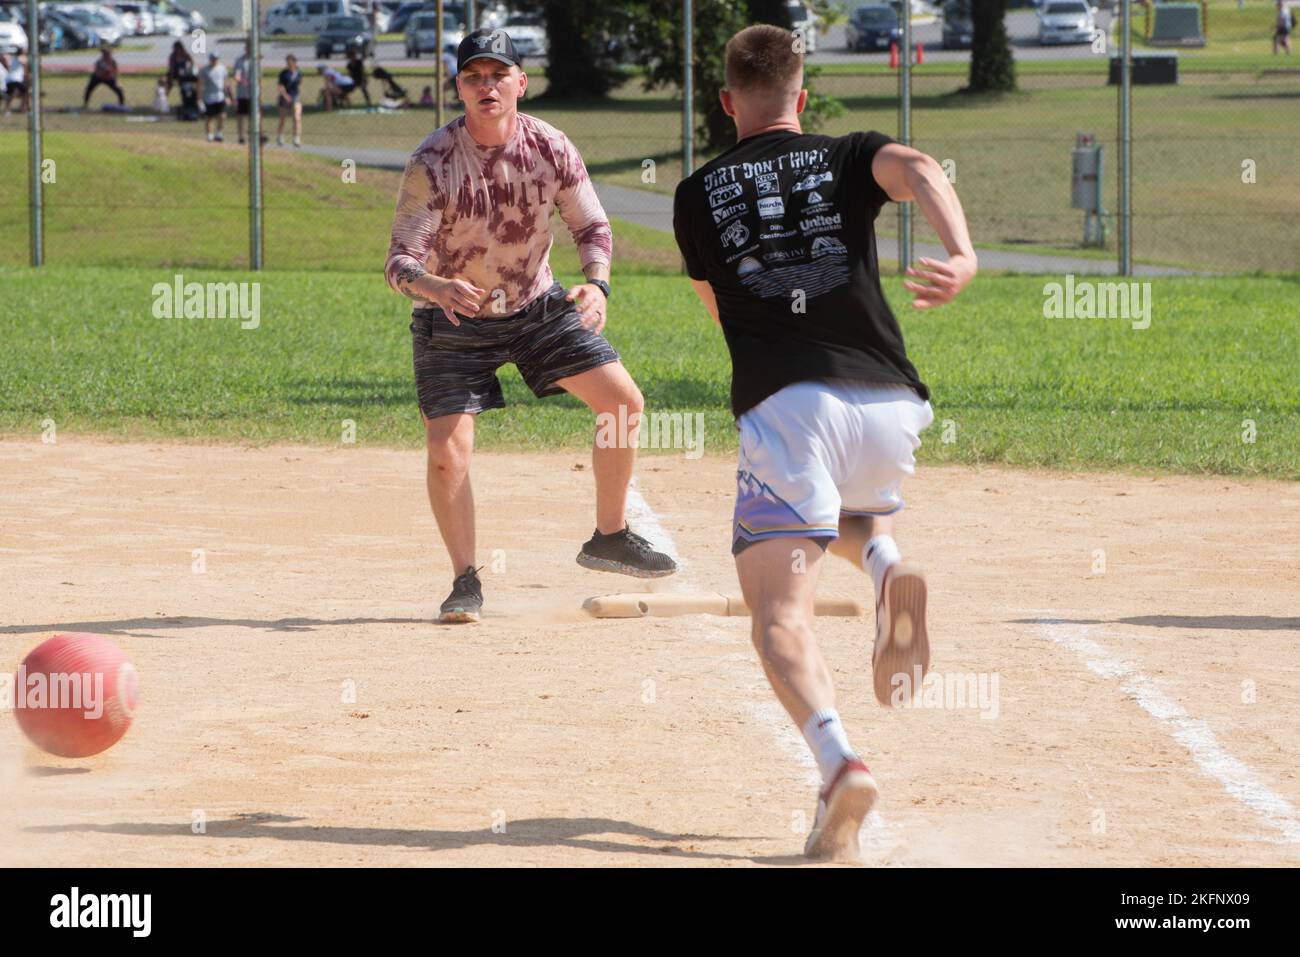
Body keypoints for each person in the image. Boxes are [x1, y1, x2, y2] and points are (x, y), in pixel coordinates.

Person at [672, 25, 976, 861]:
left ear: (728, 102)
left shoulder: (697, 192)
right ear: (801, 98)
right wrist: (963, 255)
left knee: (779, 612)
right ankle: (885, 566)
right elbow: (918, 169)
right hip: (889, 397)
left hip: (789, 400)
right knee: (849, 519)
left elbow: (717, 308)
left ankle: (839, 762)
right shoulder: (847, 152)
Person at [384, 28, 677, 624]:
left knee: (622, 401)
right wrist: (436, 286)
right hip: (452, 319)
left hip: (536, 306)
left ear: (521, 83)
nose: (486, 85)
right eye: (473, 76)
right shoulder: (432, 161)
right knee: (447, 454)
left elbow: (592, 227)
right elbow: (399, 262)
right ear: (460, 89)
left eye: (498, 74)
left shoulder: (550, 146)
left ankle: (610, 535)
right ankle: (465, 580)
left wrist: (596, 284)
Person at [198, 52, 232, 142]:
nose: (214, 60)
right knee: (209, 117)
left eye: (216, 59)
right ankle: (209, 134)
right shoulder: (204, 70)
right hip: (208, 96)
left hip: (220, 96)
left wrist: (228, 96)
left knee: (222, 115)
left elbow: (226, 83)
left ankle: (219, 133)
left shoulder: (222, 68)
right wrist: (199, 98)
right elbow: (200, 84)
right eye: (213, 59)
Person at [276, 54, 302, 147]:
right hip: (285, 97)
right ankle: (280, 136)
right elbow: (280, 86)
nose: (289, 64)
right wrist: (285, 95)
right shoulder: (283, 73)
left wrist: (298, 95)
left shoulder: (299, 73)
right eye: (287, 62)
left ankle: (296, 138)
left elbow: (298, 86)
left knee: (297, 117)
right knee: (283, 118)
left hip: (295, 96)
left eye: (290, 61)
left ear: (294, 62)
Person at [233, 42, 253, 143]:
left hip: (253, 93)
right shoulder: (240, 61)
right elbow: (237, 75)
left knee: (254, 115)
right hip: (242, 93)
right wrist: (240, 80)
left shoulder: (255, 60)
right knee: (241, 115)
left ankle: (255, 134)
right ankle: (241, 136)